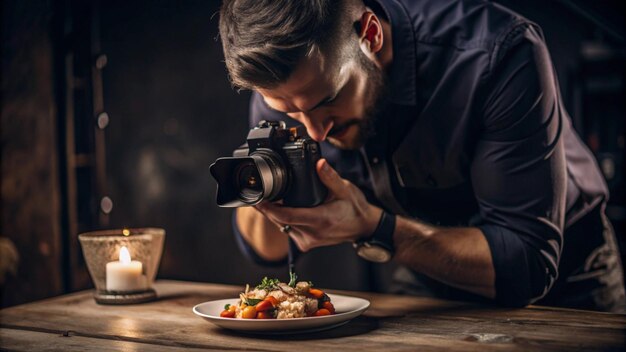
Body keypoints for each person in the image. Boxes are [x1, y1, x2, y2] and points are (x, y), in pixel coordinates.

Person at [217, 0, 625, 311]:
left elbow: (527, 264)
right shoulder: (289, 84)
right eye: (289, 111)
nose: (314, 132)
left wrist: (372, 228)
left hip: (566, 284)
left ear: (370, 35)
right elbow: (264, 252)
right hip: (426, 277)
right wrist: (265, 194)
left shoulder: (496, 54)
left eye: (329, 101)